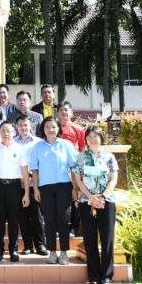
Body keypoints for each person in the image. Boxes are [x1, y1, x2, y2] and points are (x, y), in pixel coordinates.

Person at [73, 126, 119, 284]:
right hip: (87, 202)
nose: (93, 139)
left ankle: (106, 276)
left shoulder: (109, 157)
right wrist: (90, 197)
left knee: (107, 238)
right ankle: (93, 275)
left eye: (96, 136)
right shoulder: (81, 157)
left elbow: (113, 179)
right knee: (90, 238)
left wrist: (103, 196)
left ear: (101, 138)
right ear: (85, 139)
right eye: (89, 136)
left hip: (106, 201)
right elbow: (78, 180)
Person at [30, 116, 79, 265]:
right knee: (49, 220)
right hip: (45, 187)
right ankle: (52, 252)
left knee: (63, 219)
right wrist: (36, 189)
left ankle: (64, 252)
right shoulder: (37, 147)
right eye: (47, 127)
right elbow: (35, 170)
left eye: (53, 127)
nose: (50, 130)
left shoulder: (66, 145)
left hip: (64, 186)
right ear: (43, 129)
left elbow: (74, 168)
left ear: (58, 128)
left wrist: (75, 189)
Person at [0, 120, 30, 262]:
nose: (6, 133)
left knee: (13, 221)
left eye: (9, 131)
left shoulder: (20, 149)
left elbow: (25, 172)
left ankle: (13, 250)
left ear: (14, 132)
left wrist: (27, 194)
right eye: (3, 130)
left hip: (14, 187)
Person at [13, 116, 47, 256]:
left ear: (31, 126)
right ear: (17, 127)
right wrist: (21, 177)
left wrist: (30, 176)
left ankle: (40, 245)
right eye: (20, 125)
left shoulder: (39, 142)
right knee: (23, 217)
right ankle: (27, 246)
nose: (23, 128)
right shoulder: (12, 142)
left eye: (25, 125)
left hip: (35, 184)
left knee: (37, 216)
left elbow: (42, 162)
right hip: (18, 184)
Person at [57, 101, 86, 238]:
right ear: (57, 113)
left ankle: (74, 227)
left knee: (76, 198)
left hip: (73, 168)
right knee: (60, 199)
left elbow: (82, 150)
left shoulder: (78, 129)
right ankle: (59, 226)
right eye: (61, 110)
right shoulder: (53, 127)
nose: (63, 112)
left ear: (71, 113)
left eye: (66, 110)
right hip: (57, 168)